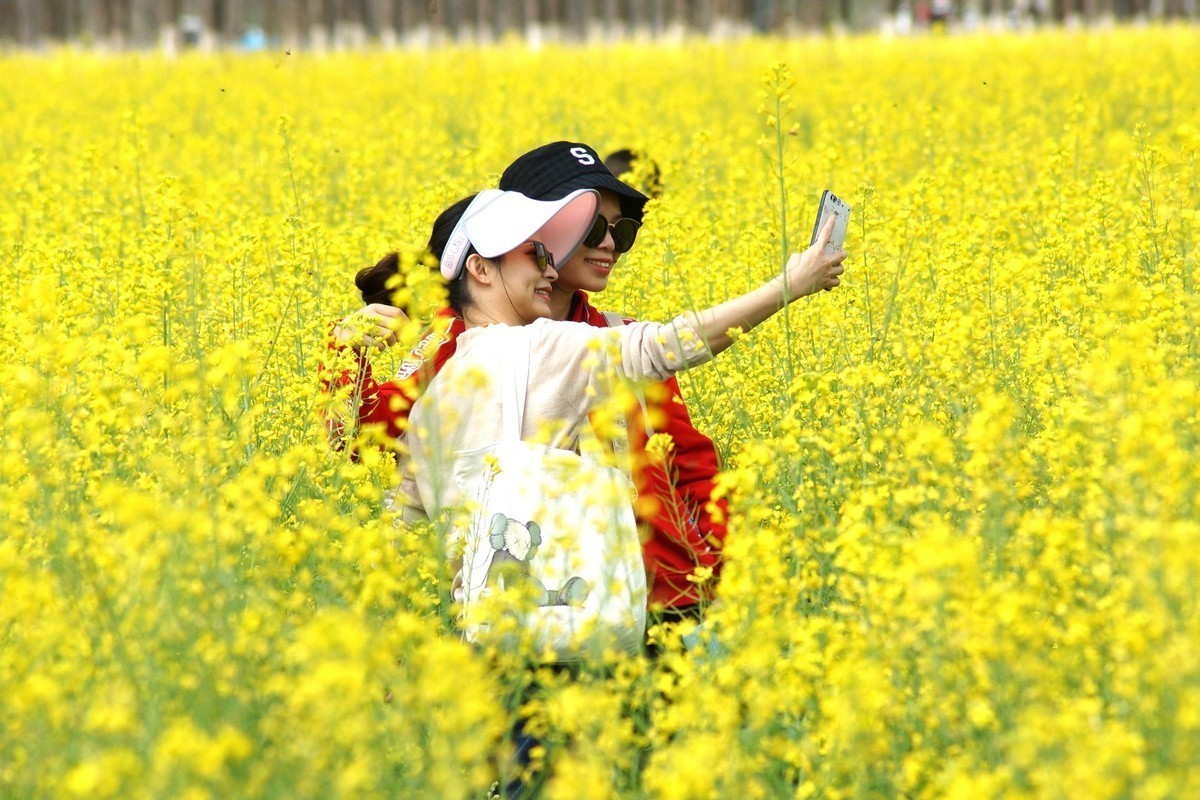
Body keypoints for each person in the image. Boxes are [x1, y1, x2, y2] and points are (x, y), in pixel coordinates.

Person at [328, 142, 729, 624]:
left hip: (648, 605)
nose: (607, 244)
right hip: (506, 618)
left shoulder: (621, 336)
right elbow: (368, 446)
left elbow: (687, 467)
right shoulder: (448, 344)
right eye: (591, 226)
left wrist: (713, 580)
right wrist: (345, 354)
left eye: (620, 232)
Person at [399, 187, 846, 591]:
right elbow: (669, 345)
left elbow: (406, 526)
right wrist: (790, 286)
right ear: (479, 268)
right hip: (556, 630)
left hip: (475, 642)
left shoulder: (435, 393)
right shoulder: (541, 346)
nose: (551, 270)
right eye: (536, 254)